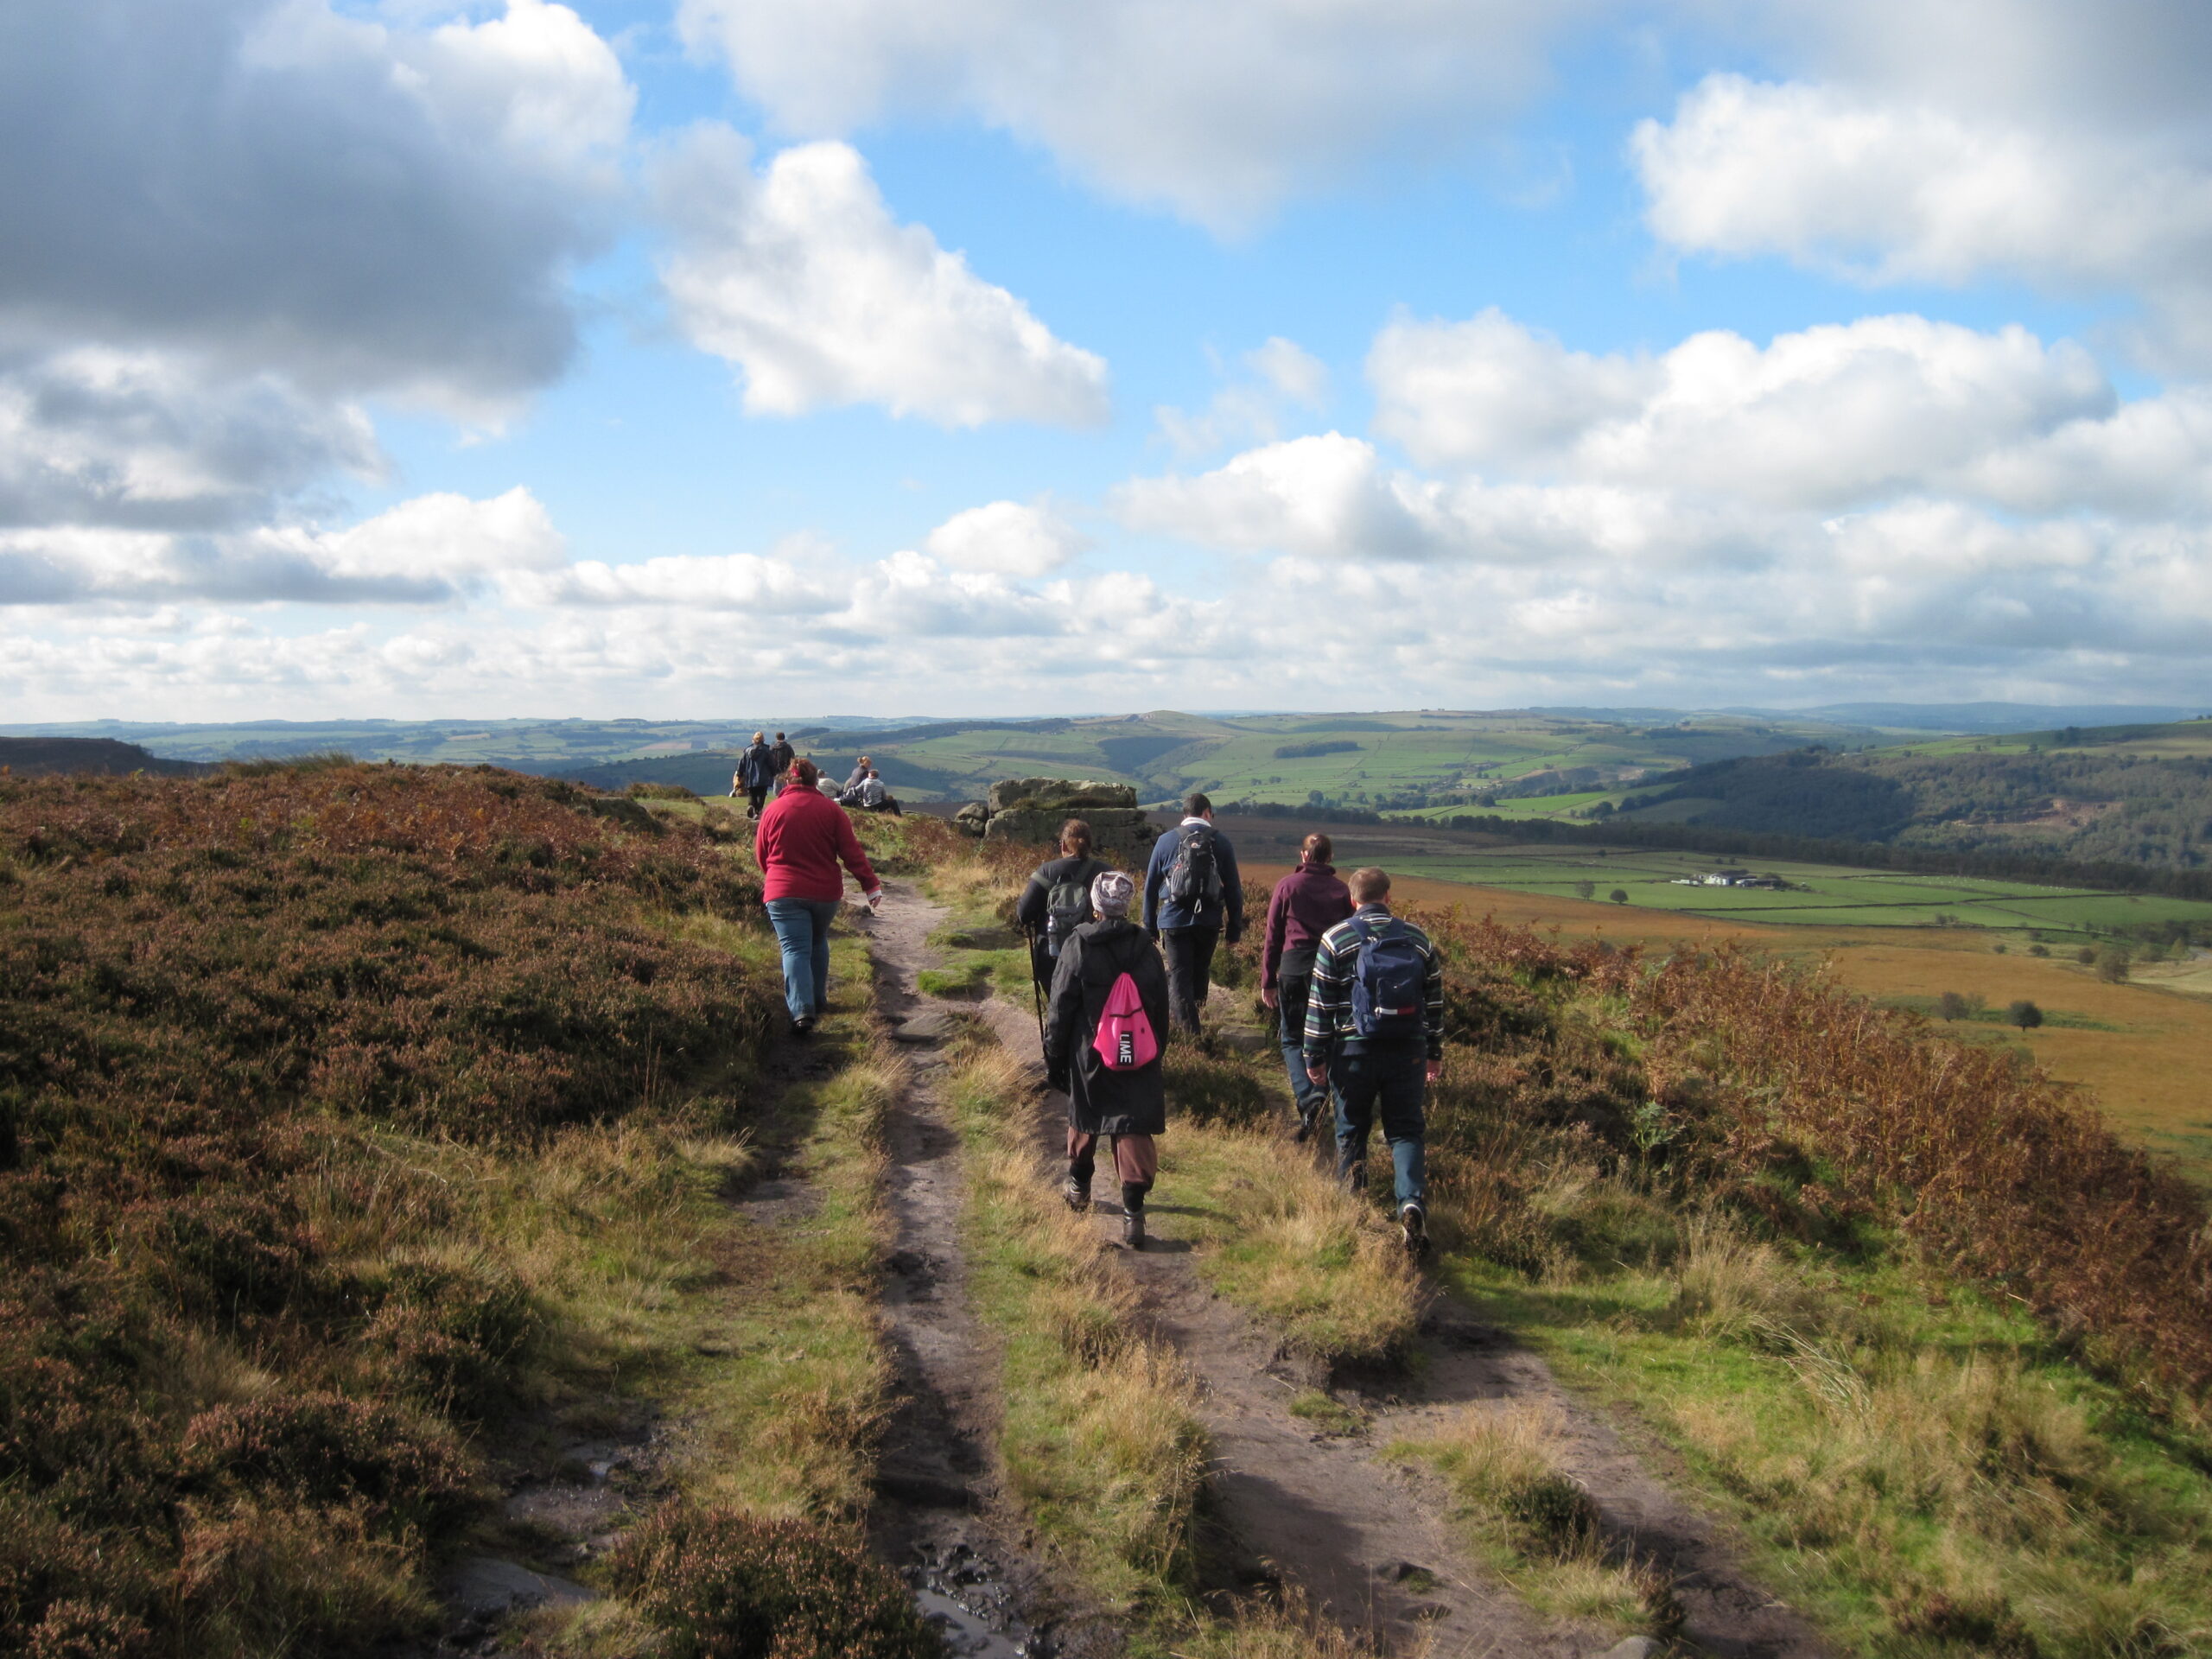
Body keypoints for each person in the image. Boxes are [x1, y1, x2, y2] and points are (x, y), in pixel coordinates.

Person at [1300, 868, 1445, 1256]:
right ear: (1388, 896)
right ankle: (1411, 1202)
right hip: (1408, 1050)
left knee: (1351, 1129)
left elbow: (1320, 1005)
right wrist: (1433, 1052)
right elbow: (1433, 1002)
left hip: (1353, 1051)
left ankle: (1353, 1208)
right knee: (1407, 1130)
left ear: (1353, 899)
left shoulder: (1336, 938)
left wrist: (1314, 1056)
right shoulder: (1417, 939)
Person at [1044, 869, 1171, 1248]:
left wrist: (1054, 1058)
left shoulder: (1078, 945)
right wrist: (1153, 1051)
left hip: (1090, 1054)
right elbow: (1161, 1010)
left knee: (1085, 1118)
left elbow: (1060, 1008)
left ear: (1094, 907)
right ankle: (1134, 1216)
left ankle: (1078, 1189)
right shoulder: (1147, 948)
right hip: (1139, 1053)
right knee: (1132, 1125)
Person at [753, 758, 883, 1035]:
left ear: (788, 780)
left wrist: (776, 878)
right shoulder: (831, 811)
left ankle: (802, 1012)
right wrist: (870, 886)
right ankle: (818, 1000)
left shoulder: (773, 810)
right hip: (824, 892)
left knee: (793, 949)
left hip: (782, 892)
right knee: (817, 941)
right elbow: (852, 854)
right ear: (815, 781)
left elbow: (762, 855)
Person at [1261, 833, 1355, 1142]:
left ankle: (1308, 1096)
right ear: (1329, 857)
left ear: (1303, 855)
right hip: (1332, 970)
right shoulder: (1342, 891)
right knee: (1326, 1039)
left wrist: (1267, 979)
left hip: (1293, 968)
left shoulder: (1288, 885)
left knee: (1291, 1039)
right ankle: (1319, 1097)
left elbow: (1273, 935)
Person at [1141, 792, 1243, 1033]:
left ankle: (1189, 1032)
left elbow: (1151, 886)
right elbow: (1234, 890)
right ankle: (1196, 1024)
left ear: (1184, 814)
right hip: (1208, 920)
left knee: (1179, 974)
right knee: (1201, 971)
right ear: (1207, 813)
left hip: (1174, 919)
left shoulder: (1166, 841)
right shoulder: (1222, 842)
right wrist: (1234, 930)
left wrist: (1150, 926)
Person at [1015, 819, 1109, 1003]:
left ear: (1064, 844)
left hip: (1053, 953)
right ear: (1090, 845)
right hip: (1095, 952)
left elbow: (1023, 914)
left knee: (1057, 1006)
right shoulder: (1106, 872)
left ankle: (1058, 1030)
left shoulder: (1046, 871)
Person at [735, 731, 776, 818]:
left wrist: (739, 773)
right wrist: (774, 773)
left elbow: (741, 763)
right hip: (763, 777)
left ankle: (751, 806)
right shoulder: (767, 751)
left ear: (753, 740)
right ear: (763, 740)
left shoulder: (747, 750)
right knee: (761, 795)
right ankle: (758, 811)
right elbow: (771, 764)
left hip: (750, 776)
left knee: (751, 793)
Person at [767, 731, 795, 795]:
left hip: (775, 770)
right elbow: (792, 758)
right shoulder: (788, 747)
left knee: (777, 786)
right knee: (785, 787)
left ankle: (777, 800)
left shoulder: (772, 748)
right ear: (784, 737)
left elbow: (769, 759)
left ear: (776, 738)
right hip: (786, 770)